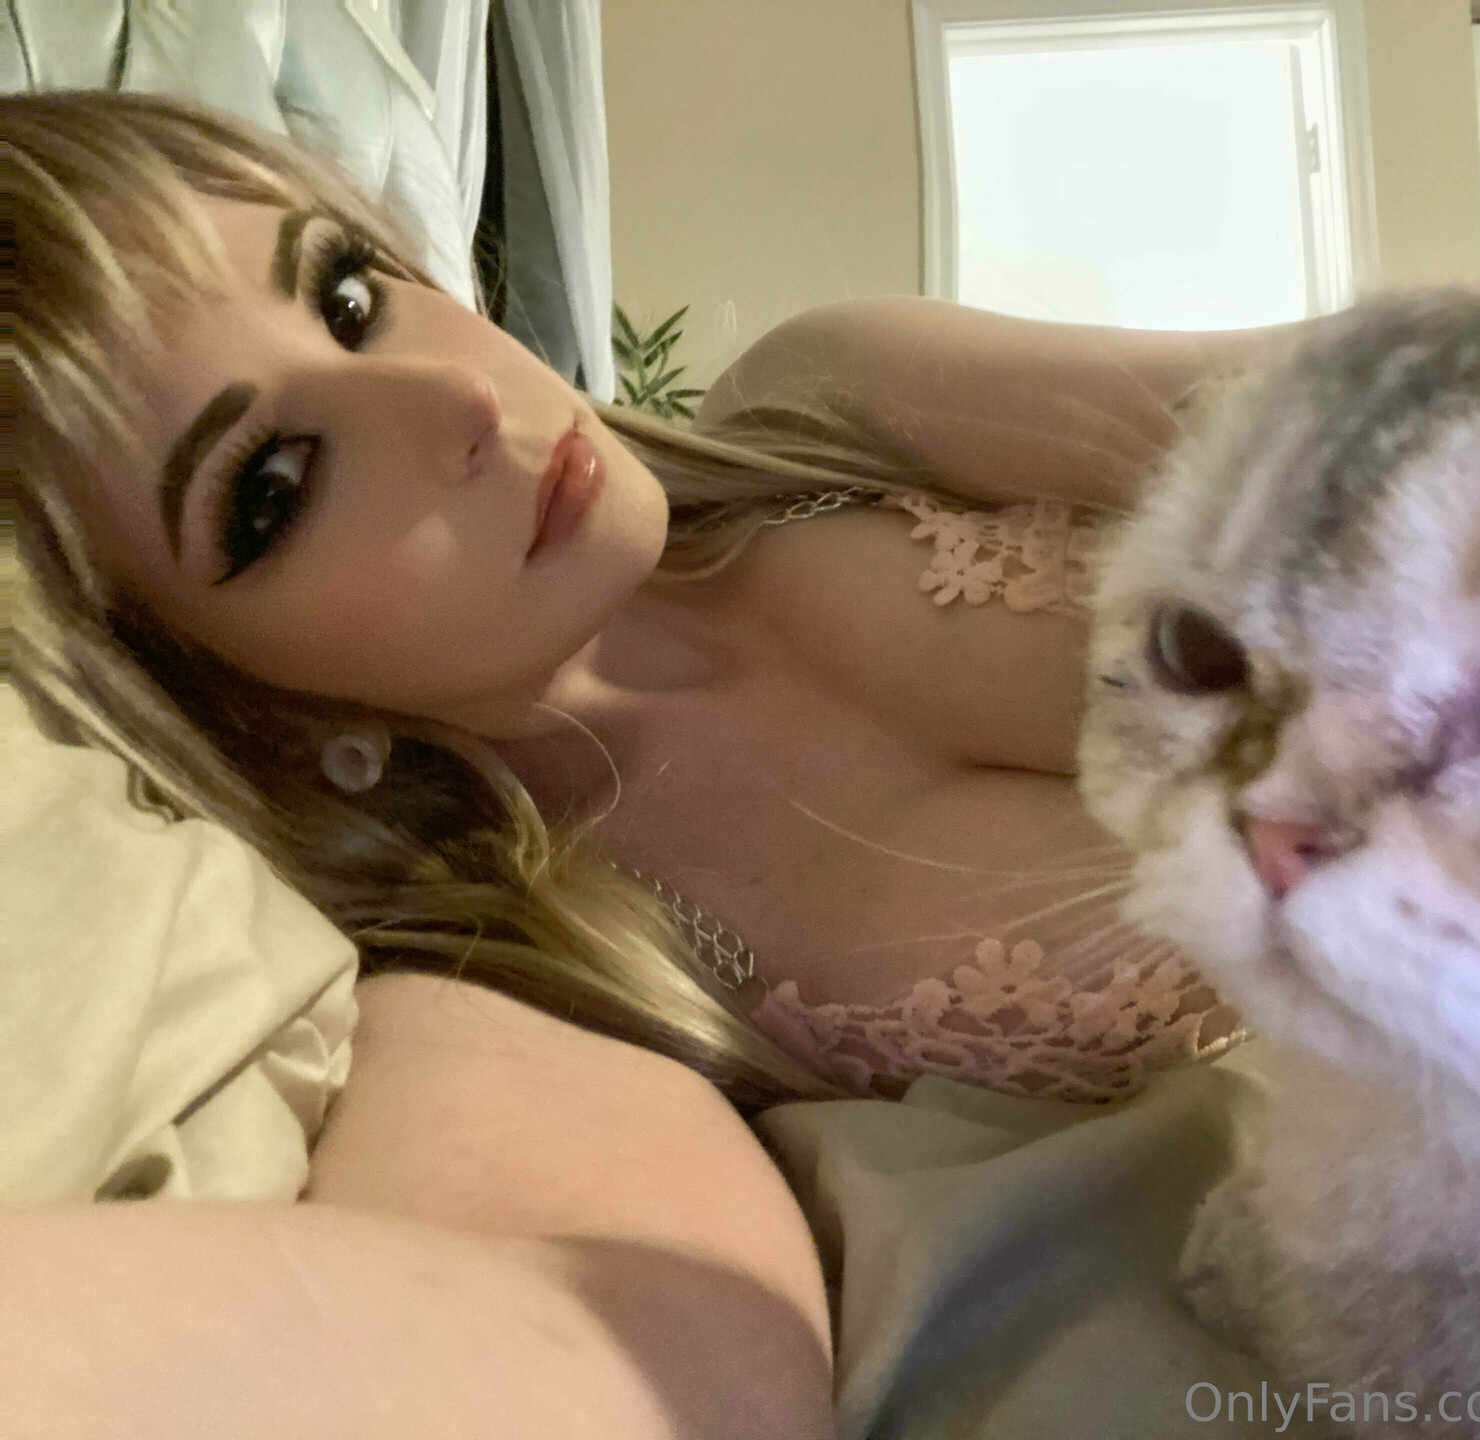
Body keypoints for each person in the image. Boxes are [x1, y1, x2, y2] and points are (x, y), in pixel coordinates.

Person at [1, 89, 1282, 1433]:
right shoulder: (531, 978)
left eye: (348, 295)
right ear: (229, 699)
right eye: (275, 485)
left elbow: (1321, 408)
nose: (455, 397)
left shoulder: (833, 401)